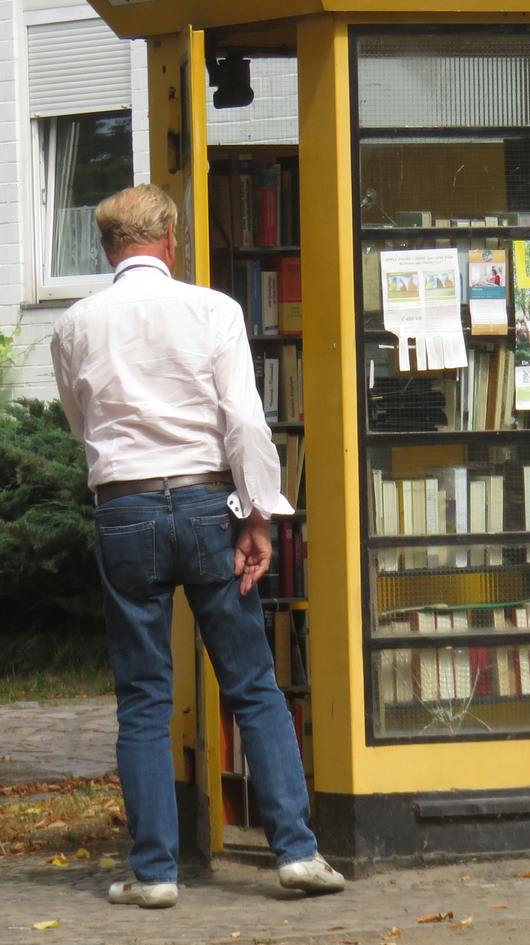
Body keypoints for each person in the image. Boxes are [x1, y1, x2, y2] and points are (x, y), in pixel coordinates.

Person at [50, 185, 343, 909]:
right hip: (208, 500)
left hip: (124, 509)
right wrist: (258, 515)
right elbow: (243, 421)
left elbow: (80, 423)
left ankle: (153, 872)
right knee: (251, 683)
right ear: (172, 238)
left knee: (144, 698)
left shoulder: (76, 324)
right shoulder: (215, 310)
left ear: (107, 247)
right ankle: (297, 854)